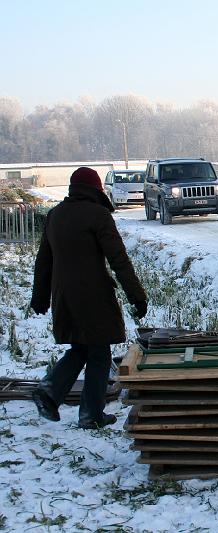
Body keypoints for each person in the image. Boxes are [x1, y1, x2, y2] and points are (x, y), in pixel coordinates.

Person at [30, 167, 147, 428]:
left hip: (64, 294)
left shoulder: (56, 215)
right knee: (97, 351)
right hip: (92, 294)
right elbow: (119, 259)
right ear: (95, 189)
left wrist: (40, 297)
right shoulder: (98, 215)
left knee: (83, 347)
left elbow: (43, 262)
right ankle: (85, 411)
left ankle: (55, 393)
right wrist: (137, 296)